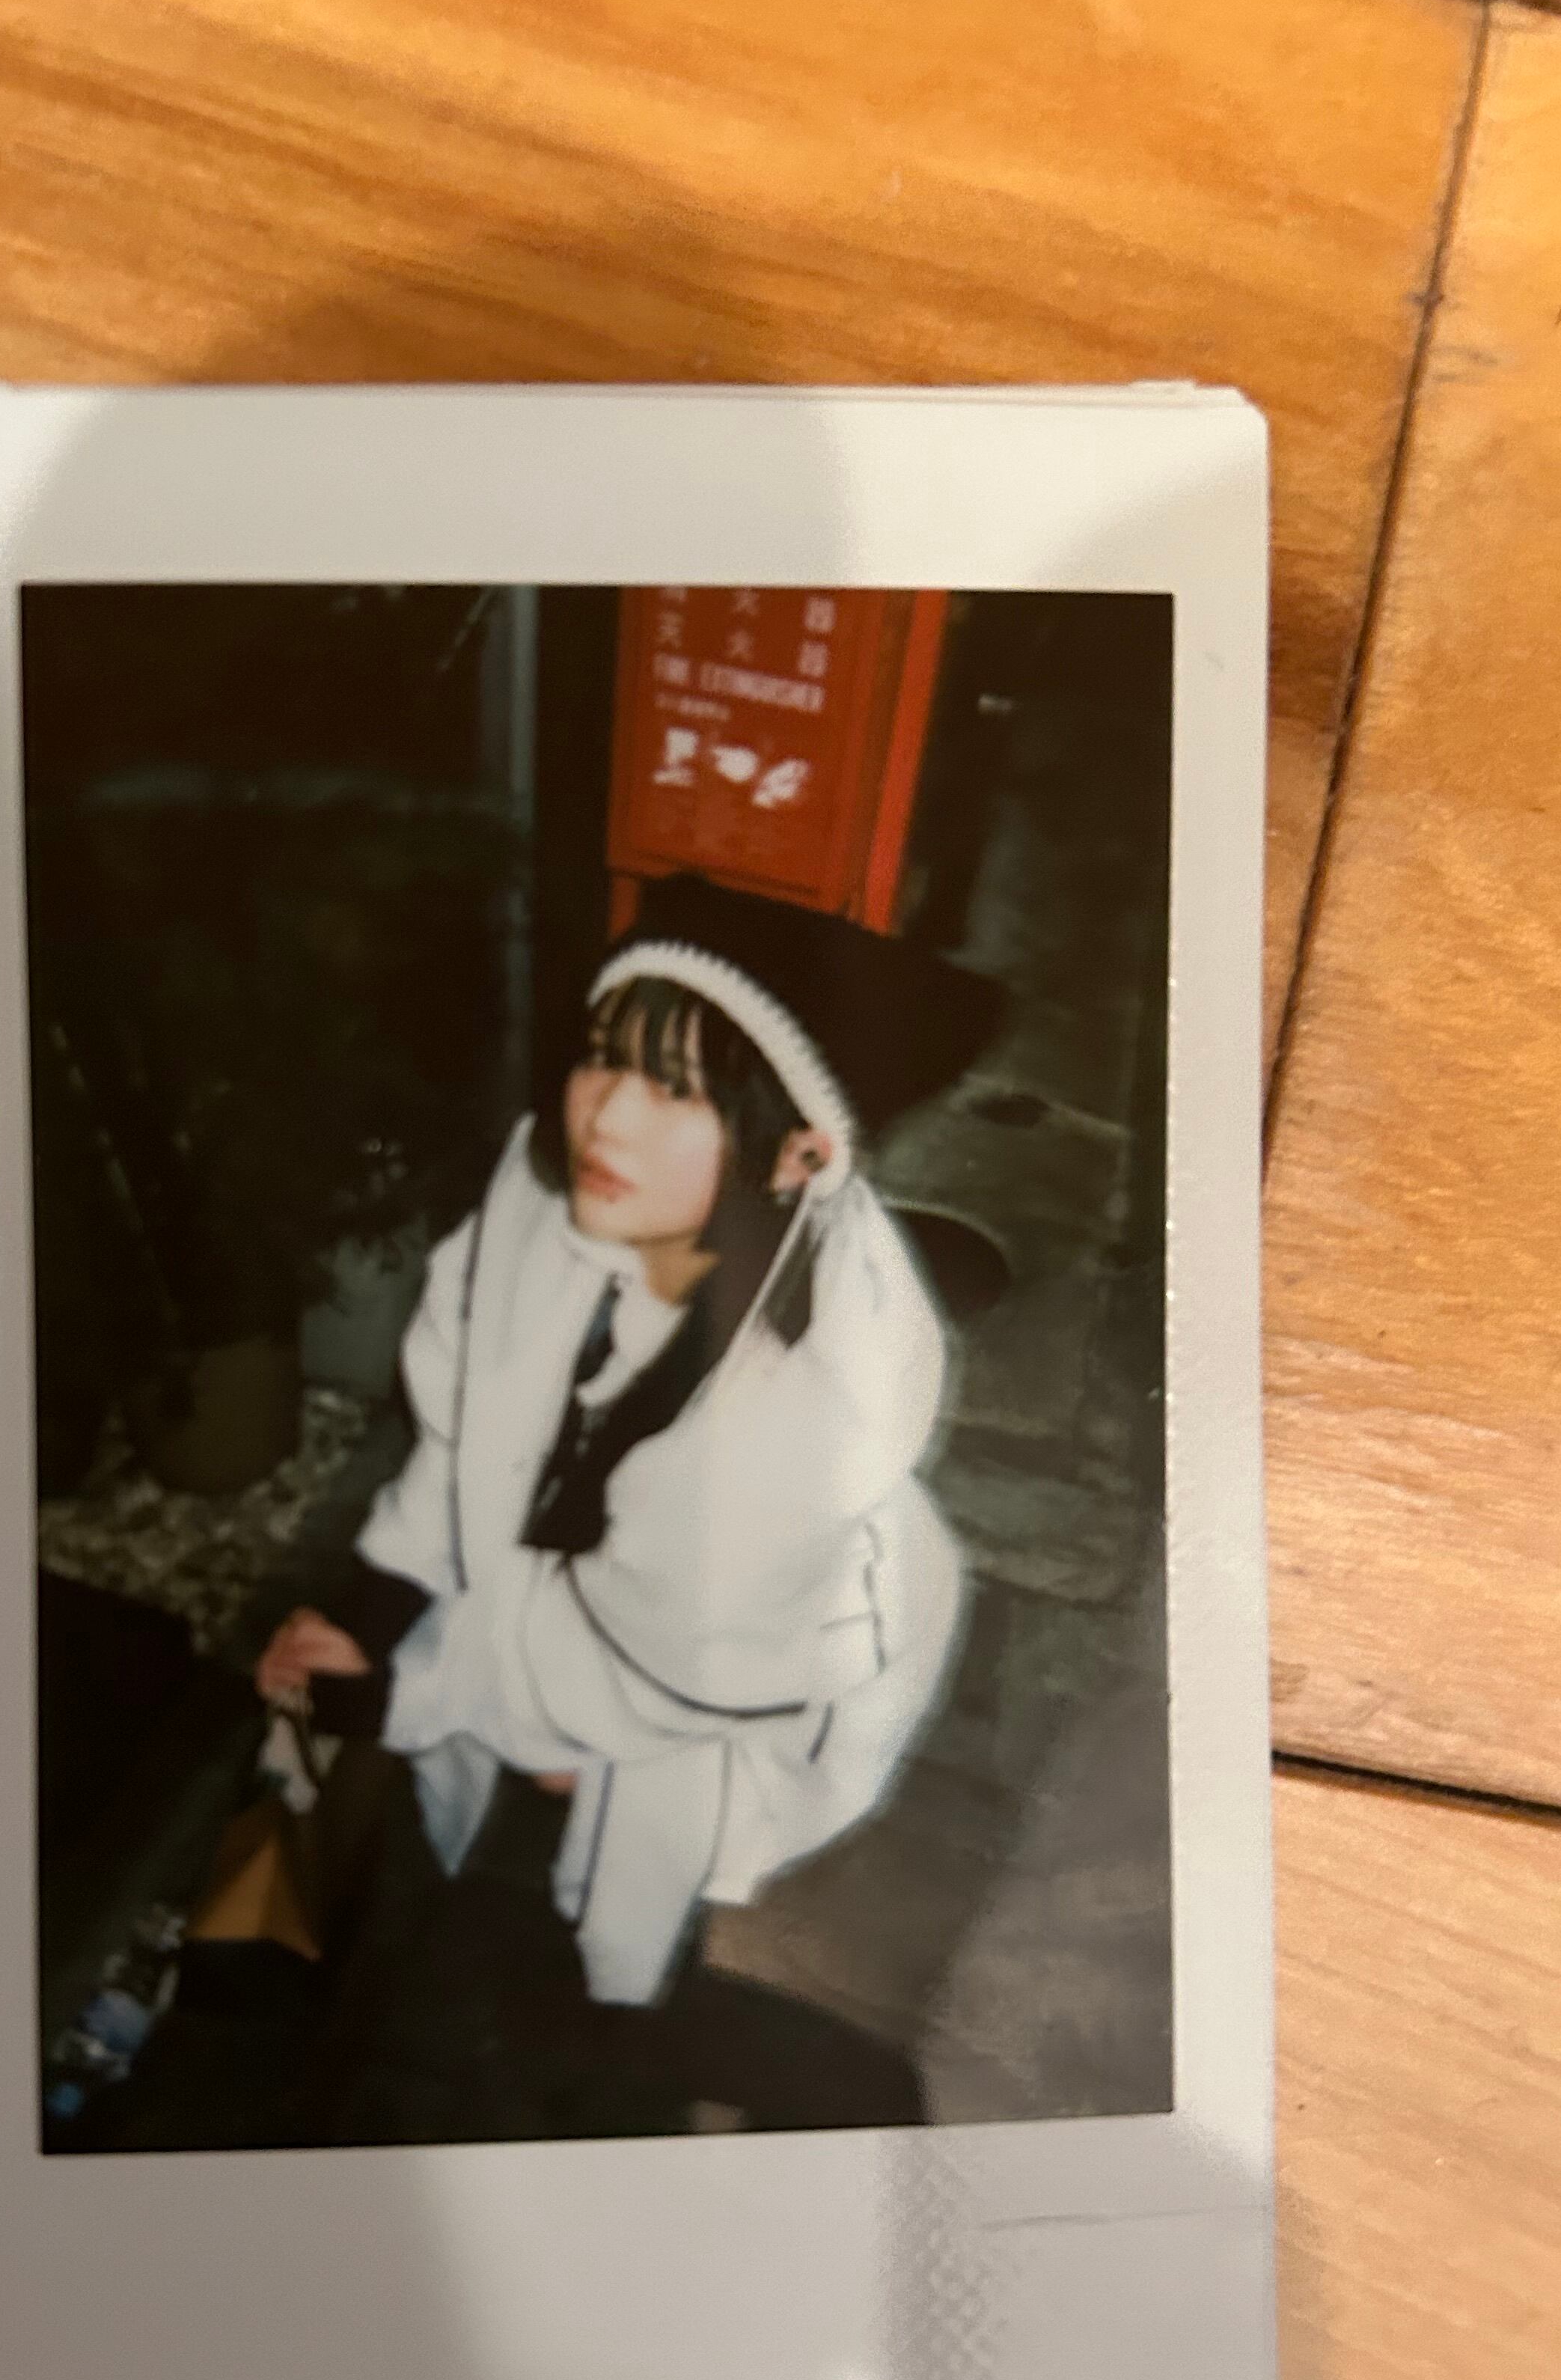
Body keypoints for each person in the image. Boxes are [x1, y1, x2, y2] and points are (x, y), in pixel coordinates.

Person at [257, 873, 1004, 2053]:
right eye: (604, 1057)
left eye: (675, 1089)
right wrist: (371, 1615)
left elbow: (639, 1694)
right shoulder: (549, 1215)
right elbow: (459, 1440)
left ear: (798, 1155)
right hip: (555, 1631)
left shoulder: (800, 1422)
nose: (605, 1115)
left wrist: (397, 1692)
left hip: (703, 1707)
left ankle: (572, 2038)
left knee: (573, 1900)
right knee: (338, 1776)